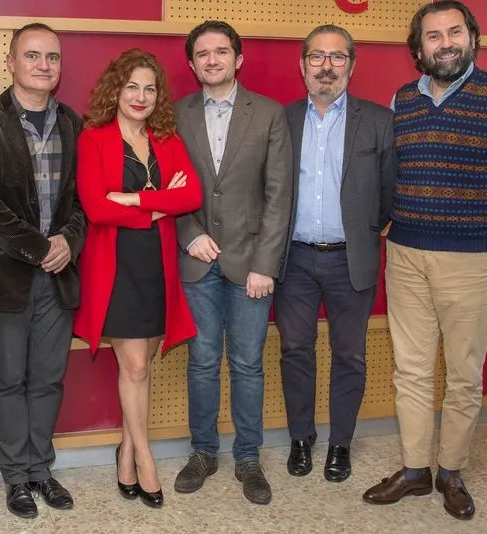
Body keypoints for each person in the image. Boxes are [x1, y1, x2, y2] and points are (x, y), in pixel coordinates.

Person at [363, 1, 487, 520]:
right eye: (433, 36)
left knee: (463, 373)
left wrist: (485, 223)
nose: (444, 42)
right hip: (405, 253)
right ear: (418, 49)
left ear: (471, 37)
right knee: (412, 369)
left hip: (473, 257)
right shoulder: (403, 99)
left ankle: (451, 472)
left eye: (454, 32)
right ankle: (417, 469)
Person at [0, 22, 86, 519]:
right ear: (10, 62)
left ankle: (40, 470)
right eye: (32, 56)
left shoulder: (73, 123)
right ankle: (15, 477)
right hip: (7, 274)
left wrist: (68, 242)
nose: (43, 65)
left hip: (59, 275)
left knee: (49, 379)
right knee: (10, 379)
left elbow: (81, 201)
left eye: (51, 57)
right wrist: (40, 248)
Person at [74, 49, 203, 509]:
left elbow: (191, 195)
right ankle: (144, 456)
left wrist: (131, 200)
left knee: (143, 363)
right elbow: (94, 207)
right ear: (116, 89)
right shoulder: (93, 139)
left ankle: (125, 449)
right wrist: (154, 204)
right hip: (115, 268)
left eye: (150, 88)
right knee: (134, 366)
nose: (141, 96)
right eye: (132, 86)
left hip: (157, 266)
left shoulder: (166, 139)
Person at [172, 20, 293, 505]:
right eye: (203, 53)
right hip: (197, 261)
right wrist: (189, 233)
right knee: (202, 362)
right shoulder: (175, 114)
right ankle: (203, 452)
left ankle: (248, 458)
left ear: (238, 59)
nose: (213, 60)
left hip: (251, 268)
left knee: (247, 364)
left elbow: (280, 195)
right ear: (192, 63)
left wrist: (267, 262)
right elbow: (164, 185)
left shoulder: (267, 114)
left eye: (222, 51)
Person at [277, 24, 396, 483]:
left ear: (352, 64)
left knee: (350, 355)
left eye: (337, 57)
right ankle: (300, 438)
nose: (326, 67)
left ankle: (340, 444)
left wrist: (365, 233)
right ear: (303, 64)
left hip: (352, 259)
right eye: (317, 57)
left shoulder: (379, 121)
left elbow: (388, 195)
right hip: (296, 260)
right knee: (294, 351)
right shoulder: (281, 119)